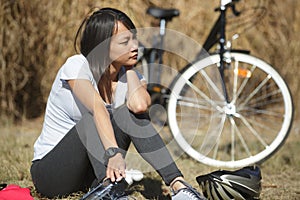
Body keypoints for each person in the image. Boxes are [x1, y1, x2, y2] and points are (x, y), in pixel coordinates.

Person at [30, 7, 206, 200]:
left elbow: (140, 106)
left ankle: (179, 187)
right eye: (124, 42)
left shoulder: (132, 77)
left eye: (134, 38)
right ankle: (112, 190)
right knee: (90, 120)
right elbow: (98, 109)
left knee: (130, 114)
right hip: (52, 173)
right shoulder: (77, 66)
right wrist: (113, 153)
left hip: (91, 174)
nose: (134, 46)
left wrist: (130, 68)